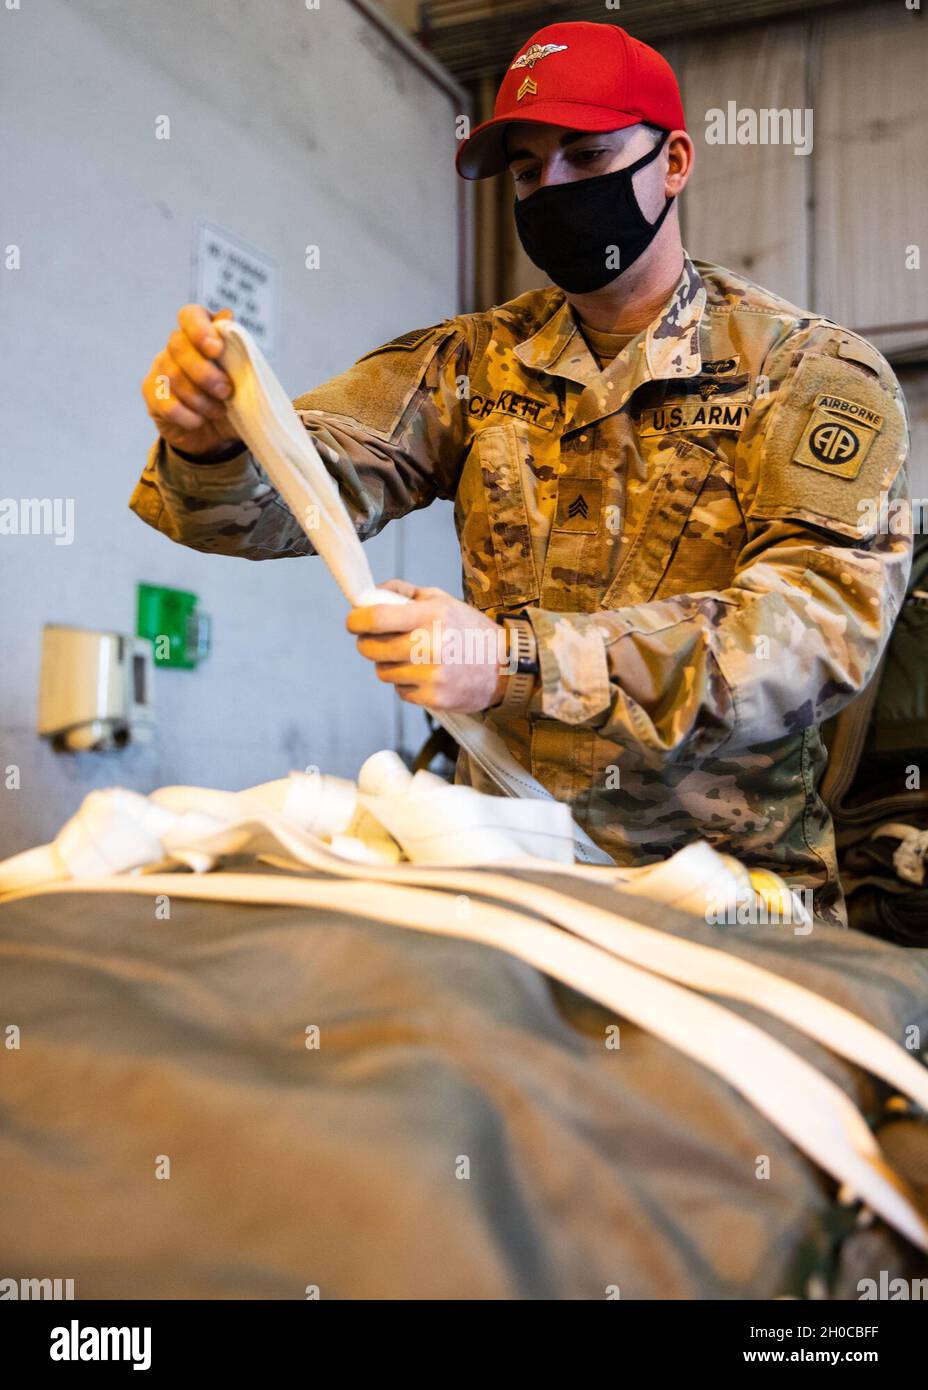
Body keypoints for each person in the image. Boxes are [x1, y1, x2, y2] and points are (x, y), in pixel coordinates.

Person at [133, 20, 911, 926]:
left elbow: (814, 635)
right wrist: (212, 439)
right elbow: (291, 498)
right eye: (529, 171)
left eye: (588, 157)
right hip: (507, 889)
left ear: (674, 162)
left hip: (727, 906)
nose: (555, 190)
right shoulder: (473, 364)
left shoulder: (809, 372)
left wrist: (514, 662)